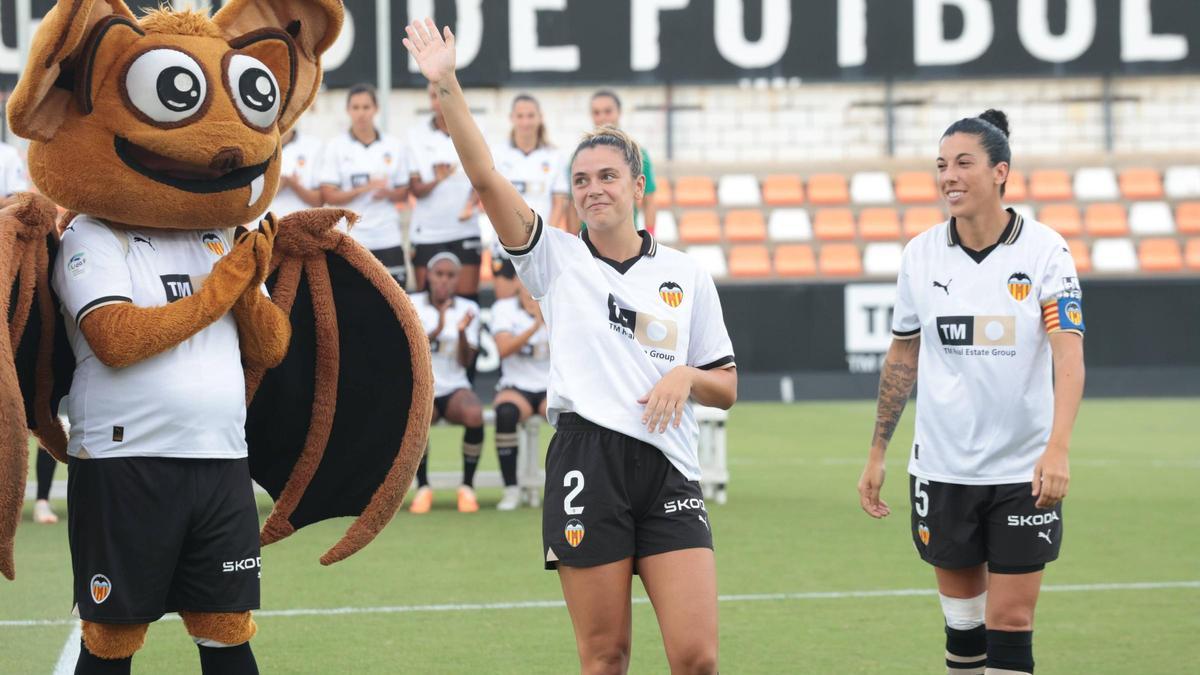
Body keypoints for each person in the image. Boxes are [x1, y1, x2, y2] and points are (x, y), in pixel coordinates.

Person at [404, 20, 737, 674]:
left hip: (669, 466)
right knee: (605, 657)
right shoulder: (552, 258)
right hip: (587, 459)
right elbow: (485, 174)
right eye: (581, 179)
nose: (594, 189)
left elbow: (726, 383)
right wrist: (445, 82)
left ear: (637, 184)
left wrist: (685, 378)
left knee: (697, 658)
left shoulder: (686, 274)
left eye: (608, 175)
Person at [856, 110, 1085, 675]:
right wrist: (878, 452)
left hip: (1020, 474)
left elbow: (1069, 357)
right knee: (963, 626)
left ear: (1000, 172)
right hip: (942, 469)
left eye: (963, 163)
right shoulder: (920, 254)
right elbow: (902, 357)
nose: (948, 176)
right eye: (941, 165)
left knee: (1010, 624)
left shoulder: (1046, 252)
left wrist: (1057, 449)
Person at [408, 252, 485, 514]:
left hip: (454, 385)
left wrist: (462, 333)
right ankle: (423, 487)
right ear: (428, 275)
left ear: (457, 280)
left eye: (450, 276)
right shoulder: (412, 303)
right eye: (439, 274)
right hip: (423, 386)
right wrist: (440, 326)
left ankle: (467, 487)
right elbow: (409, 351)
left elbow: (466, 361)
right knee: (416, 418)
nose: (443, 280)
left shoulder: (468, 309)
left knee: (475, 414)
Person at [319, 84, 410, 286]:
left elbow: (404, 192)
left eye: (366, 107)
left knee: (396, 303)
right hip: (352, 238)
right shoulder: (336, 146)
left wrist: (387, 193)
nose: (361, 113)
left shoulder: (393, 145)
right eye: (356, 107)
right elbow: (328, 195)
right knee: (353, 301)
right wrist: (364, 188)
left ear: (376, 109)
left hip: (388, 237)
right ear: (348, 111)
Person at [407, 83, 483, 300]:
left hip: (465, 229)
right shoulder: (416, 134)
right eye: (433, 96)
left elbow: (485, 177)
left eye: (443, 95)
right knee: (424, 303)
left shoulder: (475, 127)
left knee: (468, 302)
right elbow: (415, 190)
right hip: (428, 232)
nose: (438, 101)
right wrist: (437, 180)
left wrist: (470, 204)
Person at [490, 94, 569, 299]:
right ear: (512, 118)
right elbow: (490, 200)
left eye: (530, 116)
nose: (525, 122)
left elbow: (559, 203)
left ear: (540, 117)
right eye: (521, 116)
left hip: (540, 246)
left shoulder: (554, 156)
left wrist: (545, 238)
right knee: (506, 307)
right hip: (505, 245)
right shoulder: (497, 154)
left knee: (542, 309)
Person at [489, 277, 549, 510]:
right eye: (523, 280)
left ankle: (565, 486)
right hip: (517, 385)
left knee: (570, 419)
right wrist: (535, 325)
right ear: (515, 283)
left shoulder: (556, 300)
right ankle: (511, 489)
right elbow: (503, 350)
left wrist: (546, 319)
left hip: (550, 386)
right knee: (505, 413)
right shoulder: (503, 309)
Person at [565, 90, 659, 236]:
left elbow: (649, 199)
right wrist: (572, 241)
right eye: (596, 112)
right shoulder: (578, 157)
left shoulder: (637, 154)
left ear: (619, 112)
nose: (602, 117)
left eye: (607, 111)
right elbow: (571, 204)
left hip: (626, 239)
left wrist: (651, 236)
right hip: (588, 244)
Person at [269, 128, 324, 216]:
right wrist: (274, 187)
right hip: (261, 226)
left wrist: (295, 185)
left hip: (302, 225)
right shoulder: (255, 144)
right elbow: (244, 201)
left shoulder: (314, 146)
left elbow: (320, 200)